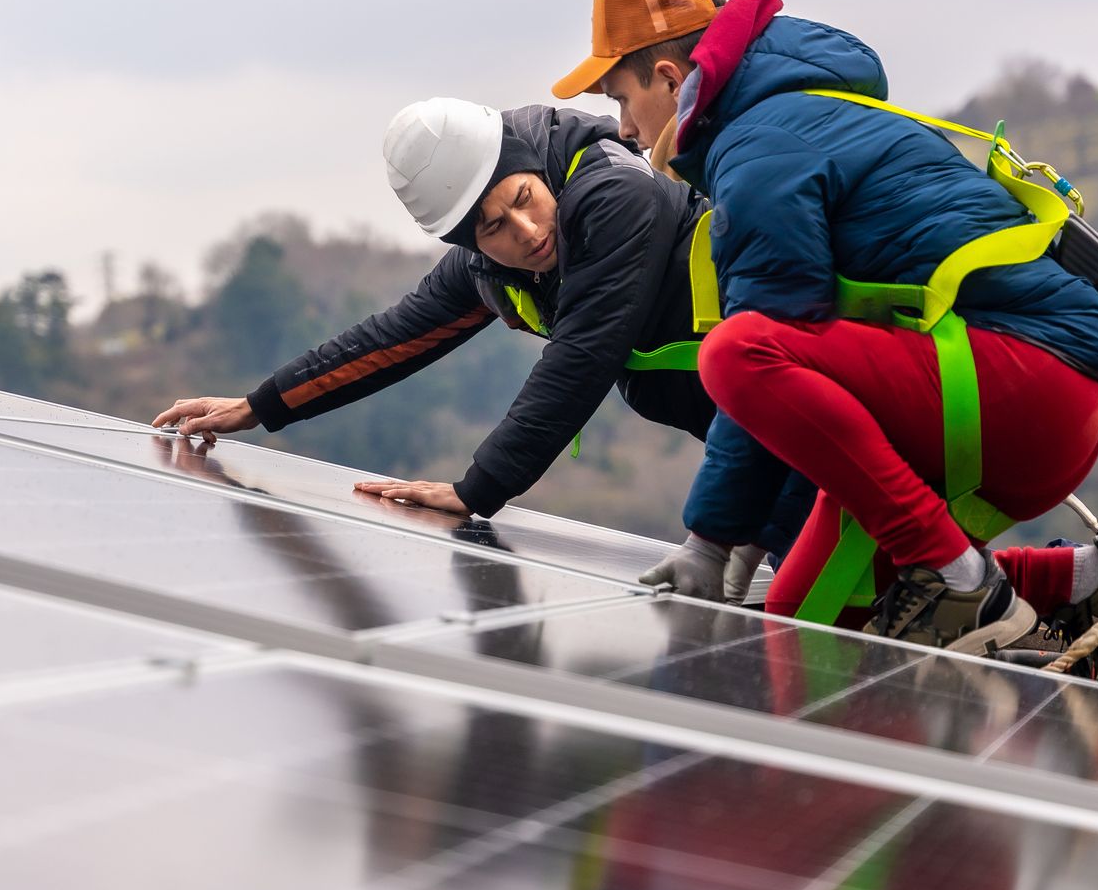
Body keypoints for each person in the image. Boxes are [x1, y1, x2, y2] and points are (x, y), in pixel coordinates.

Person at [556, 0, 1098, 669]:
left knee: (731, 352)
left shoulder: (759, 147)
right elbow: (810, 374)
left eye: (622, 100)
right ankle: (1092, 583)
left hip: (1024, 383)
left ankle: (956, 577)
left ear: (670, 78)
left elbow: (765, 348)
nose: (626, 130)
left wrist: (710, 537)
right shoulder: (793, 113)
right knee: (808, 619)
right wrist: (744, 525)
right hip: (1028, 391)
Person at [152, 97, 803, 575]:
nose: (524, 230)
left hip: (814, 417)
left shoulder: (618, 196)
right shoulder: (489, 268)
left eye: (524, 196)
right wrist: (257, 406)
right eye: (492, 227)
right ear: (470, 241)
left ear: (537, 169)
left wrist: (477, 490)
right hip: (758, 457)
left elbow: (581, 356)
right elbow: (391, 339)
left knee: (854, 608)